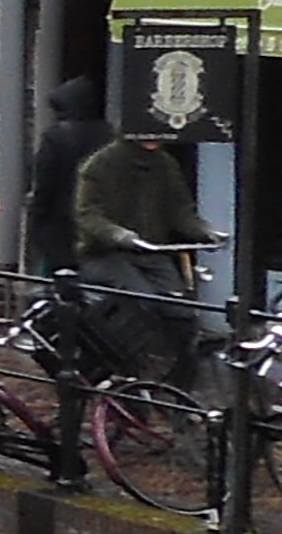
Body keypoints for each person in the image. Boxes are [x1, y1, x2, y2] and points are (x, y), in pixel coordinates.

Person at [64, 98, 212, 386]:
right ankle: (128, 370)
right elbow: (88, 215)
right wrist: (119, 235)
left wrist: (204, 231)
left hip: (151, 252)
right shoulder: (100, 165)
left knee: (180, 309)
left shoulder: (165, 165)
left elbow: (180, 211)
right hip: (105, 254)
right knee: (142, 300)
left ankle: (180, 378)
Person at [20, 70, 108, 276]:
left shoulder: (56, 137)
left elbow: (45, 182)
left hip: (60, 219)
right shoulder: (109, 134)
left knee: (57, 273)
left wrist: (37, 218)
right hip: (98, 220)